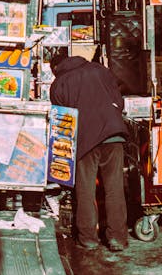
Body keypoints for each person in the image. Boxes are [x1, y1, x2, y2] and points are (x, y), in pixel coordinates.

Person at [50, 51, 129, 252]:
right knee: (114, 188)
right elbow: (119, 102)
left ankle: (88, 239)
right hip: (113, 135)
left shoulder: (59, 84)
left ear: (55, 68)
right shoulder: (99, 70)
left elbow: (62, 122)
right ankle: (118, 238)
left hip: (85, 141)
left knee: (85, 190)